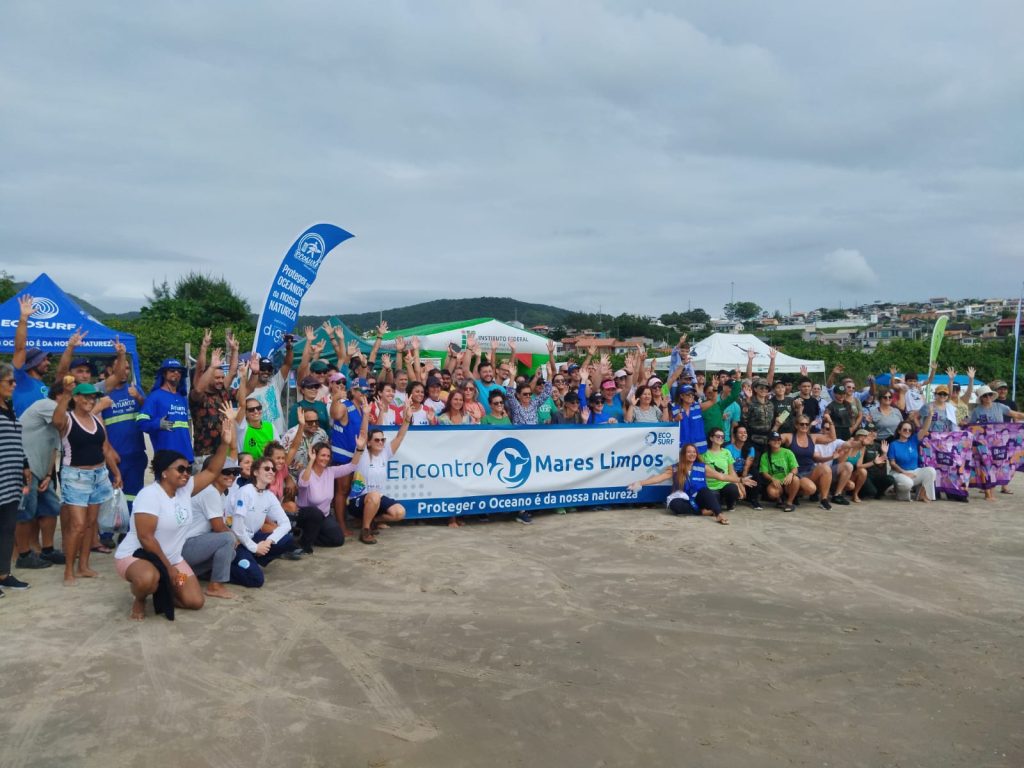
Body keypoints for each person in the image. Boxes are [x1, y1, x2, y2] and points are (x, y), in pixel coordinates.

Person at [113, 406, 236, 619]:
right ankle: (141, 598)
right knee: (147, 579)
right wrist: (168, 567)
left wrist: (225, 443)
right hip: (138, 557)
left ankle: (163, 589)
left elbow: (212, 470)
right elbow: (146, 538)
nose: (186, 473)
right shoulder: (150, 495)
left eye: (188, 469)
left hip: (173, 559)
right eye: (180, 469)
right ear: (163, 472)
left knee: (195, 601)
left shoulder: (185, 490)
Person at [52, 381, 122, 586]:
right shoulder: (68, 419)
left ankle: (83, 566)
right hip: (76, 477)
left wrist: (115, 472)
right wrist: (65, 394)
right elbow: (56, 421)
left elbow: (106, 448)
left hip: (99, 474)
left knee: (91, 524)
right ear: (76, 398)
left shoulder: (97, 420)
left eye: (93, 397)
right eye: (86, 396)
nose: (91, 400)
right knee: (78, 525)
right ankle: (68, 571)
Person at [13, 380, 66, 569]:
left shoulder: (59, 412)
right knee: (25, 512)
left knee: (51, 508)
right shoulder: (48, 405)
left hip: (42, 472)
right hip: (24, 467)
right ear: (61, 394)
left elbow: (54, 448)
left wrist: (49, 475)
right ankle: (24, 555)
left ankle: (48, 550)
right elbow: (62, 423)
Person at [229, 454, 303, 587]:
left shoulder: (268, 496)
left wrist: (268, 542)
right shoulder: (245, 492)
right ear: (256, 472)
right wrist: (254, 547)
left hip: (252, 539)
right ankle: (217, 570)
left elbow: (285, 524)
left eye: (273, 469)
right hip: (237, 542)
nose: (271, 472)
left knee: (287, 540)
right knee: (256, 580)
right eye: (267, 468)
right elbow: (237, 528)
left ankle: (252, 558)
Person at [349, 402, 412, 544]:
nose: (381, 442)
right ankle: (365, 530)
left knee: (400, 512)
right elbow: (364, 434)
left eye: (382, 440)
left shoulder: (385, 453)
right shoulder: (362, 452)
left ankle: (372, 520)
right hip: (357, 501)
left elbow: (400, 437)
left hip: (376, 499)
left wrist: (407, 419)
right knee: (375, 496)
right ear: (369, 443)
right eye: (376, 440)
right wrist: (365, 415)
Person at [180, 456, 240, 600]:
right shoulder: (210, 491)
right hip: (185, 545)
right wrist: (235, 537)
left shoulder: (219, 493)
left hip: (190, 545)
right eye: (226, 472)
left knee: (230, 553)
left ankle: (185, 575)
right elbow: (219, 527)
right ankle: (215, 586)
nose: (231, 475)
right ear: (212, 473)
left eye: (234, 472)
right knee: (227, 539)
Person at [628, 443, 729, 525]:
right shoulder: (675, 468)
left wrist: (740, 480)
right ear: (683, 454)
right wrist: (640, 482)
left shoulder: (702, 466)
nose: (692, 454)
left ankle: (719, 514)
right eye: (689, 452)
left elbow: (722, 477)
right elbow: (659, 478)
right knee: (675, 505)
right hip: (684, 499)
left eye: (694, 452)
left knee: (705, 491)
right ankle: (702, 511)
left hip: (699, 497)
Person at [296, 440, 365, 553]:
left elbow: (352, 466)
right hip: (306, 516)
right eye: (322, 455)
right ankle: (305, 542)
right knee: (315, 513)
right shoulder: (306, 472)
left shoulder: (330, 471)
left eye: (328, 456)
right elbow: (303, 484)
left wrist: (359, 449)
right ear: (315, 455)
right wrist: (311, 461)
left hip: (324, 516)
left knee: (338, 539)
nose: (326, 458)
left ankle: (310, 536)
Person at [0, 363, 33, 595]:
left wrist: (25, 465)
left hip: (11, 479)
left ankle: (3, 574)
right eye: (9, 382)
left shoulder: (9, 408)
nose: (14, 385)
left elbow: (15, 441)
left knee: (7, 529)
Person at [189, 330, 240, 466]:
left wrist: (235, 350)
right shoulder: (197, 396)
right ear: (208, 377)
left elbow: (233, 372)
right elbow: (199, 377)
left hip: (223, 452)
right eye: (217, 378)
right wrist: (204, 349)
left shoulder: (222, 391)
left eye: (222, 378)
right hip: (204, 455)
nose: (220, 381)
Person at [138, 358, 193, 462]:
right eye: (172, 370)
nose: (176, 373)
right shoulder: (154, 397)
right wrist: (158, 424)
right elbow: (141, 422)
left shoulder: (182, 398)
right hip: (165, 458)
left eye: (179, 371)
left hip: (186, 455)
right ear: (164, 374)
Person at [781, 416, 840, 509]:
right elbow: (774, 440)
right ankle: (794, 493)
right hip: (796, 472)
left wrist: (830, 421)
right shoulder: (789, 437)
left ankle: (824, 500)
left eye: (807, 424)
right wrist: (776, 426)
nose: (804, 426)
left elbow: (832, 438)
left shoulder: (812, 437)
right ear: (796, 425)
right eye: (802, 424)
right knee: (811, 489)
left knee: (825, 468)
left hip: (809, 471)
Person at [10, 295, 51, 417]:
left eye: (48, 359)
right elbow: (20, 349)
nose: (48, 363)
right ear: (33, 363)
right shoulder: (21, 380)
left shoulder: (43, 386)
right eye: (43, 360)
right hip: (23, 435)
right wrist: (24, 318)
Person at [702, 429, 756, 511]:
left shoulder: (726, 452)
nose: (720, 438)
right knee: (714, 507)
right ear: (711, 438)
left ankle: (730, 504)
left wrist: (739, 486)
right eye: (718, 436)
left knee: (733, 489)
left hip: (724, 484)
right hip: (710, 486)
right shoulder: (704, 453)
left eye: (722, 437)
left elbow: (732, 471)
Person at [248, 342, 294, 437]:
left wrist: (289, 348)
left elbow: (287, 364)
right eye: (263, 368)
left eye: (269, 369)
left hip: (280, 434)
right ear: (256, 368)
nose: (266, 371)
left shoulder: (274, 383)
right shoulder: (248, 391)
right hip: (260, 436)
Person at [887, 417, 937, 502]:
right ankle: (899, 492)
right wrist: (904, 472)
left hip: (914, 472)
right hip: (899, 473)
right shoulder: (893, 444)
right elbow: (892, 463)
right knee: (907, 485)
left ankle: (922, 494)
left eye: (910, 430)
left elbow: (924, 429)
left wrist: (930, 416)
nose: (907, 431)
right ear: (899, 431)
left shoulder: (913, 440)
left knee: (931, 471)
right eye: (905, 429)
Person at [759, 432, 802, 512]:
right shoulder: (765, 455)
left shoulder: (788, 452)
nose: (777, 441)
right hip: (776, 482)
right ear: (769, 442)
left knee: (795, 479)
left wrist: (791, 474)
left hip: (787, 482)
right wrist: (772, 479)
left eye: (779, 439)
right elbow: (764, 472)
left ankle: (789, 502)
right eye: (773, 439)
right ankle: (779, 499)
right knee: (772, 493)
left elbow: (795, 468)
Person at [726, 424, 763, 510]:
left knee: (755, 474)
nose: (743, 434)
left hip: (744, 472)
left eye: (745, 432)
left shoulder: (750, 448)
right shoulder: (728, 448)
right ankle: (731, 501)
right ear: (735, 435)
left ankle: (753, 499)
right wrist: (739, 484)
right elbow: (729, 467)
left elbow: (747, 466)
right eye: (740, 433)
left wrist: (743, 479)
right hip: (731, 471)